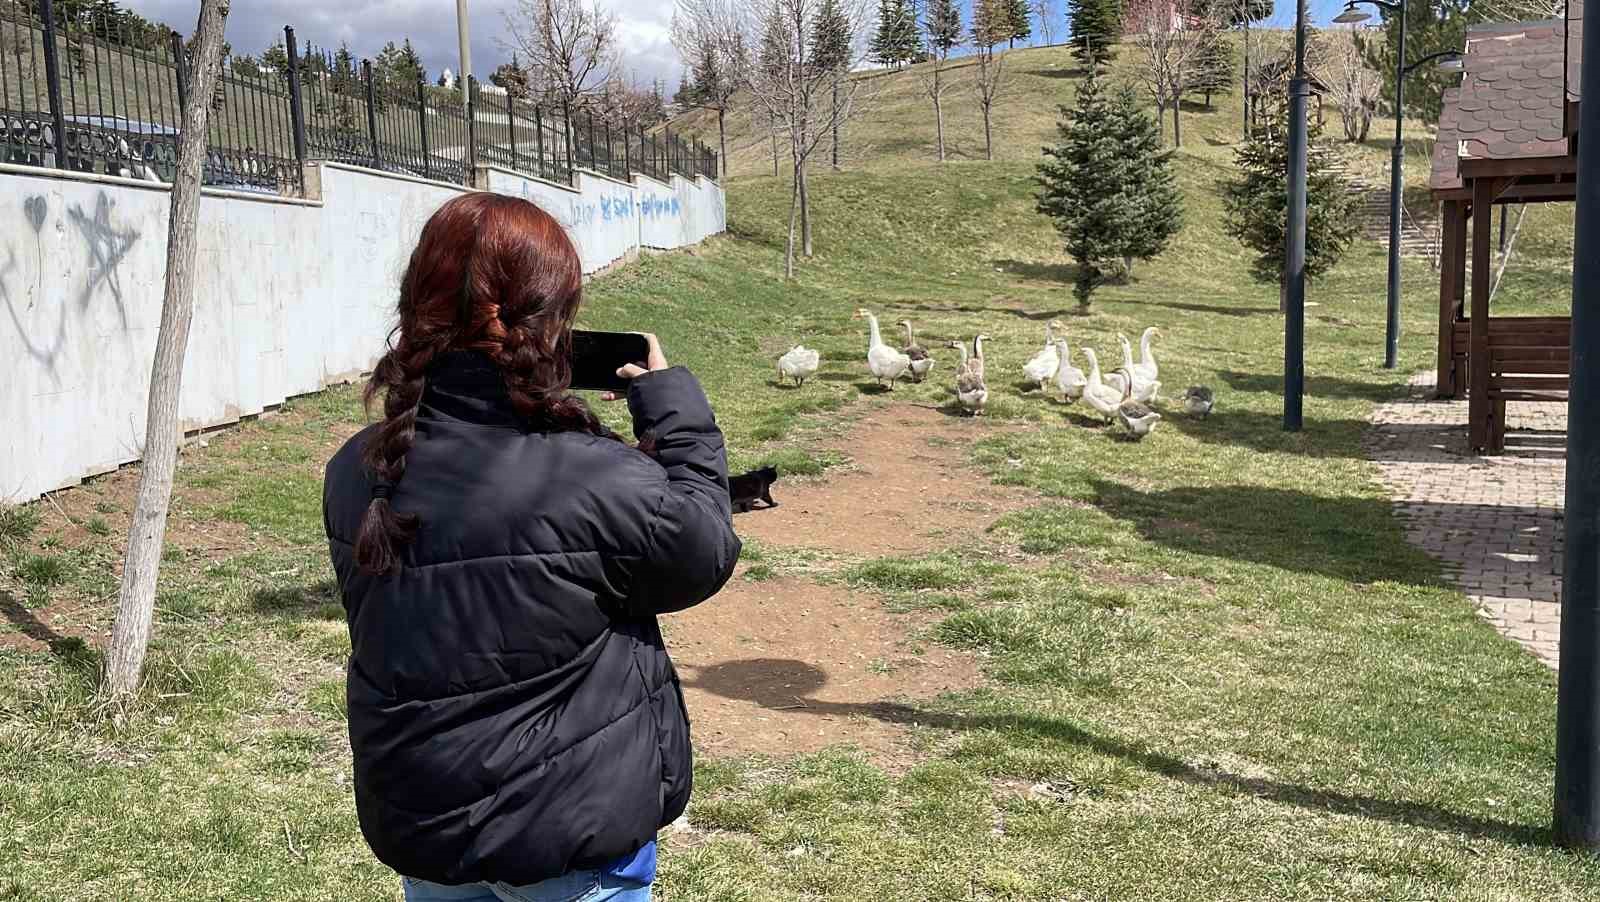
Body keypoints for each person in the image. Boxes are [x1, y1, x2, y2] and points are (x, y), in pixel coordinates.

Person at [321, 193, 740, 902]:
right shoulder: (596, 477)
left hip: (429, 832)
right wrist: (672, 407)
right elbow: (703, 550)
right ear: (551, 320)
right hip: (571, 838)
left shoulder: (358, 471)